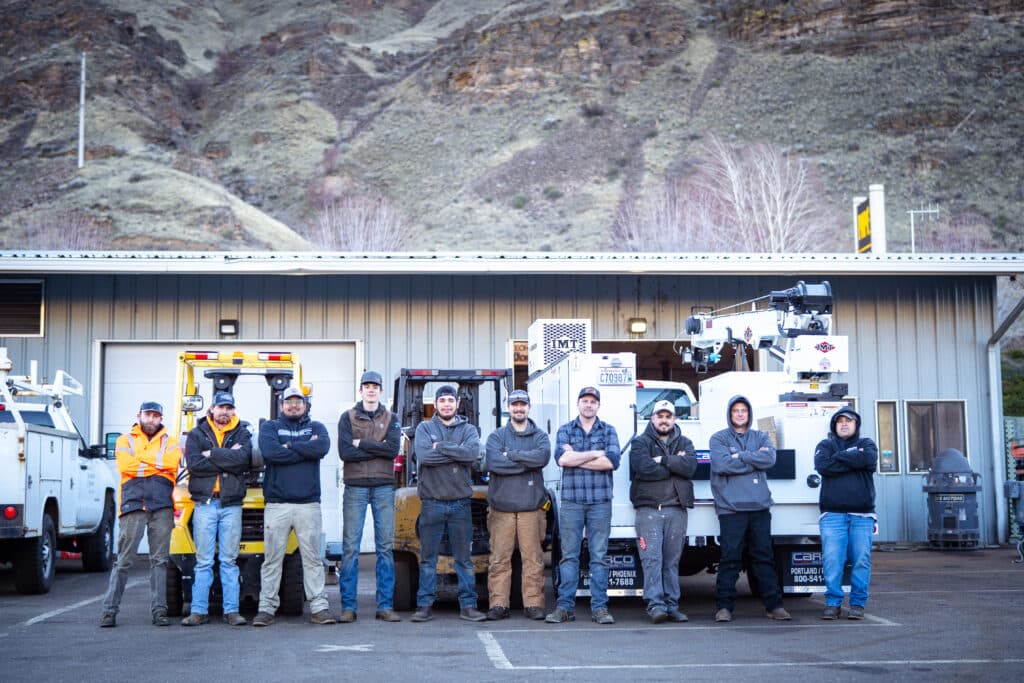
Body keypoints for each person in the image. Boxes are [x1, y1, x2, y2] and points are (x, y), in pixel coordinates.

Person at [253, 386, 337, 626]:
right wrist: (303, 449)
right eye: (288, 402)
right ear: (281, 406)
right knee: (272, 559)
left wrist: (289, 447)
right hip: (277, 505)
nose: (293, 405)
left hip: (308, 505)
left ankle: (319, 608)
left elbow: (321, 448)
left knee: (311, 559)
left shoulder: (317, 428)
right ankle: (266, 608)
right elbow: (271, 453)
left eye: (298, 402)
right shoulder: (269, 428)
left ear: (305, 405)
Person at [100, 401, 182, 628]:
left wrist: (142, 462)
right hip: (133, 505)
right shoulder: (124, 440)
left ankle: (159, 611)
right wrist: (157, 466)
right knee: (124, 561)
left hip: (162, 506)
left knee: (160, 561)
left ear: (161, 417)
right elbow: (126, 466)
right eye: (148, 414)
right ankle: (109, 611)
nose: (151, 419)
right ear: (139, 415)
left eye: (156, 415)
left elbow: (171, 463)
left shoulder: (171, 441)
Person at [709, 395, 790, 622]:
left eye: (744, 410)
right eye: (736, 410)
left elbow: (770, 459)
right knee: (729, 560)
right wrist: (753, 460)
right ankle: (724, 608)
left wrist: (741, 456)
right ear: (730, 413)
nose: (740, 414)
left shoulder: (761, 435)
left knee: (764, 558)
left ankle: (774, 606)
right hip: (730, 509)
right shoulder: (719, 438)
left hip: (760, 508)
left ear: (749, 413)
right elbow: (722, 464)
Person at [410, 384, 486, 623]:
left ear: (457, 404)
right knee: (428, 558)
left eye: (450, 401)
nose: (446, 404)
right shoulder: (424, 428)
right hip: (432, 503)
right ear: (436, 404)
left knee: (464, 559)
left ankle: (469, 606)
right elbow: (424, 457)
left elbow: (471, 455)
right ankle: (424, 605)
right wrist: (457, 452)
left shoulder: (469, 429)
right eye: (442, 401)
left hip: (460, 504)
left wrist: (441, 447)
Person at [546, 386, 621, 625]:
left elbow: (612, 461)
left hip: (600, 502)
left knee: (599, 557)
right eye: (584, 401)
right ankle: (565, 607)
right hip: (572, 502)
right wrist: (595, 453)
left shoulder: (609, 430)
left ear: (598, 405)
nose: (589, 405)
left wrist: (578, 457)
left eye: (593, 401)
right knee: (569, 556)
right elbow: (562, 459)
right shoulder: (565, 430)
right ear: (578, 404)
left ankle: (600, 608)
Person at [180, 392, 253, 627]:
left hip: (232, 504)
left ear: (233, 410)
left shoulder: (242, 432)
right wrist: (227, 458)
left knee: (229, 560)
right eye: (221, 407)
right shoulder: (196, 433)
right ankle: (198, 611)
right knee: (203, 561)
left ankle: (231, 611)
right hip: (205, 504)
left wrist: (211, 454)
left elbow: (242, 461)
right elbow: (195, 464)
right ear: (211, 408)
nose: (225, 412)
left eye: (229, 408)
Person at [337, 370, 403, 623]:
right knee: (350, 548)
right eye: (367, 386)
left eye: (375, 386)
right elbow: (345, 452)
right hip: (355, 486)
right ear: (361, 390)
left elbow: (393, 450)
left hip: (384, 486)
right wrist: (378, 448)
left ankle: (385, 606)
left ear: (381, 391)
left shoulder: (392, 418)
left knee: (385, 548)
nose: (371, 390)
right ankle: (348, 607)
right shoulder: (348, 417)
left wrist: (361, 444)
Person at [483, 389, 551, 621]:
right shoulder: (496, 436)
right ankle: (499, 604)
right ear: (508, 407)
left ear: (529, 407)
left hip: (531, 509)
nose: (519, 409)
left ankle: (533, 604)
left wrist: (510, 454)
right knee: (499, 559)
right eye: (515, 405)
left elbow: (541, 458)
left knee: (533, 559)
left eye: (522, 405)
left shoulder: (540, 436)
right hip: (501, 509)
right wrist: (525, 462)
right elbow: (495, 463)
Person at [629, 399, 698, 624]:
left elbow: (690, 468)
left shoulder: (685, 441)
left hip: (676, 510)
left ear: (675, 419)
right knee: (652, 560)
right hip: (649, 510)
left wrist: (664, 460)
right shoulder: (640, 443)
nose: (664, 420)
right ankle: (656, 605)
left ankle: (672, 605)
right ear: (653, 418)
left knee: (671, 561)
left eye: (668, 416)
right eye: (660, 416)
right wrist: (674, 465)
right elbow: (643, 468)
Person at [814, 406, 878, 620]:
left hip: (862, 516)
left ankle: (858, 605)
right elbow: (823, 466)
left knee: (861, 560)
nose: (844, 424)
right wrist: (852, 458)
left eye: (848, 421)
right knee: (833, 561)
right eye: (840, 420)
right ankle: (833, 604)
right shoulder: (825, 445)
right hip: (832, 515)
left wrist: (839, 457)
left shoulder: (867, 444)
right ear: (834, 425)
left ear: (856, 424)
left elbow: (868, 460)